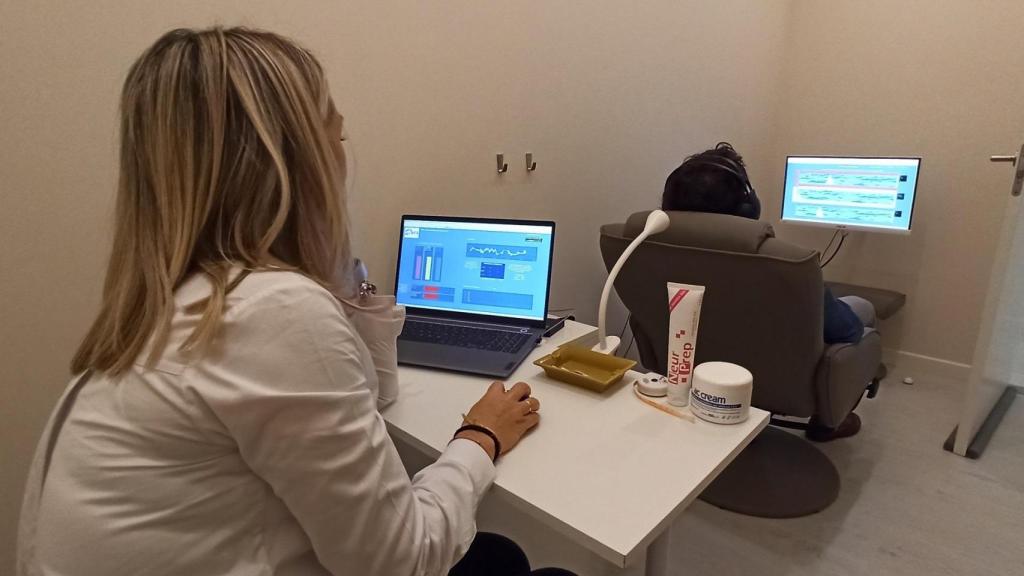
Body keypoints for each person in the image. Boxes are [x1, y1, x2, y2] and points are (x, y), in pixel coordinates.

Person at [17, 27, 574, 576]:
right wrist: (480, 436)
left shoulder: (178, 301)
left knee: (497, 555)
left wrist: (338, 272)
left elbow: (375, 395)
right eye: (337, 136)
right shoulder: (271, 309)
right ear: (298, 162)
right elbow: (403, 561)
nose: (343, 158)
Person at [661, 142, 875, 441]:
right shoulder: (790, 263)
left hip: (689, 369)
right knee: (861, 308)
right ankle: (829, 422)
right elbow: (847, 330)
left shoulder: (643, 249)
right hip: (783, 380)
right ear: (749, 208)